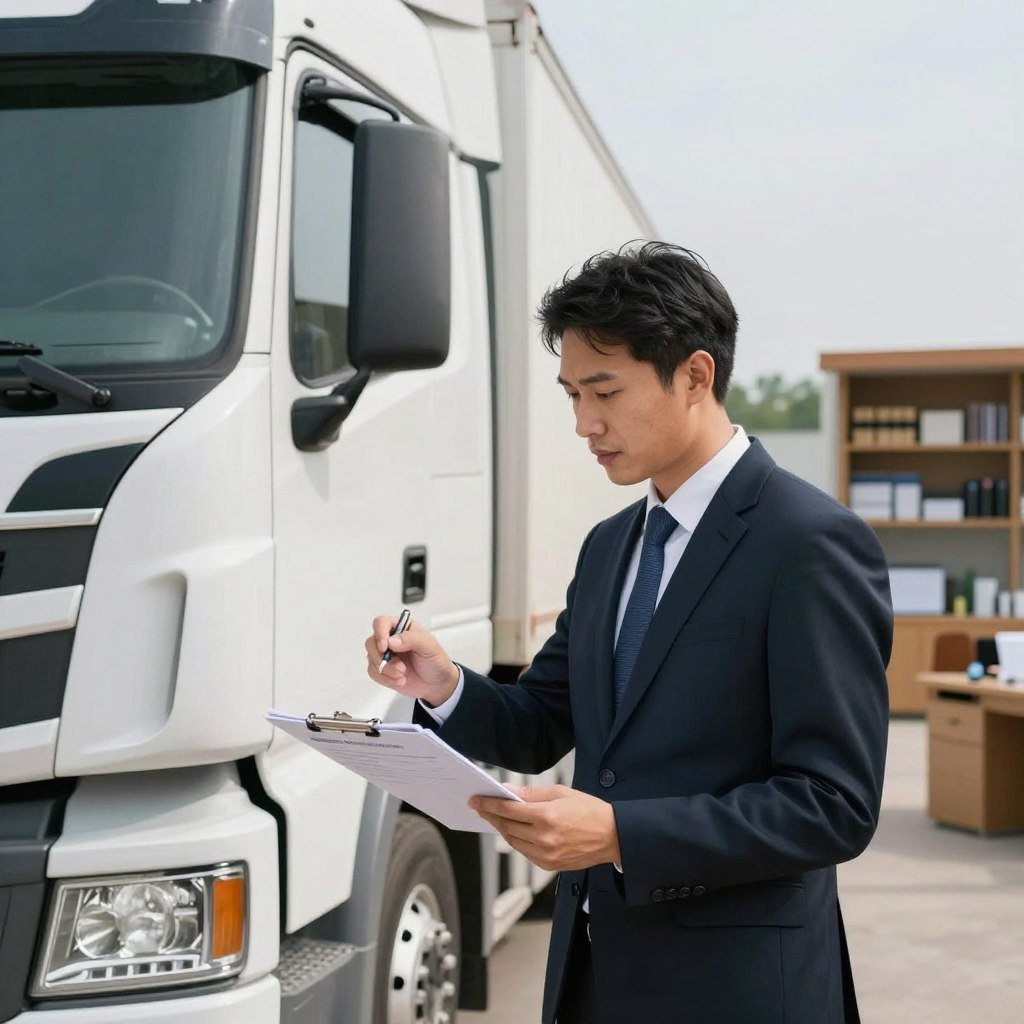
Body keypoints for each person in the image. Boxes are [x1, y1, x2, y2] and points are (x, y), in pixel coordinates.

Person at [365, 241, 892, 1024]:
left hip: (737, 992)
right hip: (592, 975)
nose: (585, 423)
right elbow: (543, 720)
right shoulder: (612, 546)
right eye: (572, 395)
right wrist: (442, 684)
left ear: (696, 376)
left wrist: (619, 834)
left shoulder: (809, 542)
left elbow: (832, 804)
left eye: (604, 391)